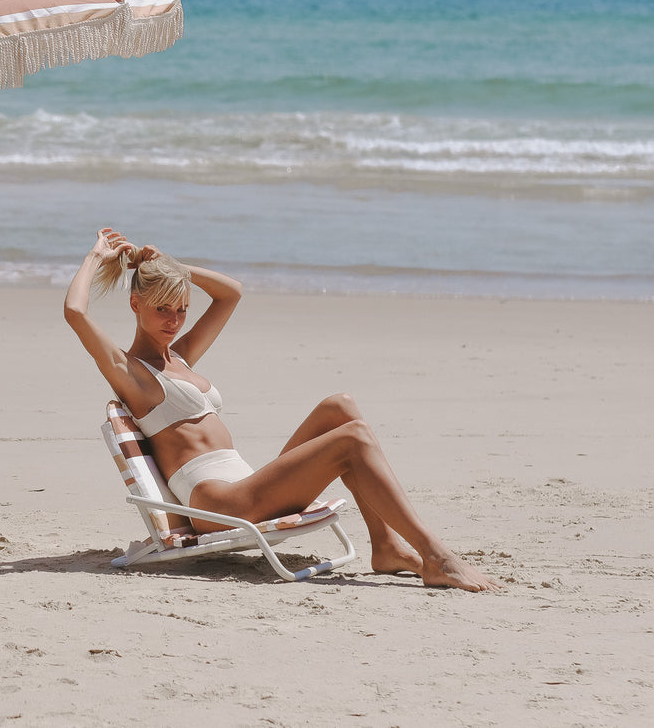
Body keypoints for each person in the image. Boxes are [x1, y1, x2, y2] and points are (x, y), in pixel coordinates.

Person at [64, 228, 501, 592]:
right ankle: (436, 557)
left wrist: (176, 268)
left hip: (248, 485)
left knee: (340, 407)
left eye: (181, 310)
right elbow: (75, 312)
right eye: (162, 309)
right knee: (353, 439)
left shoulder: (178, 358)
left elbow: (231, 294)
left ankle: (385, 546)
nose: (173, 321)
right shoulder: (133, 374)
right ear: (134, 305)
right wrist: (95, 255)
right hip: (220, 505)